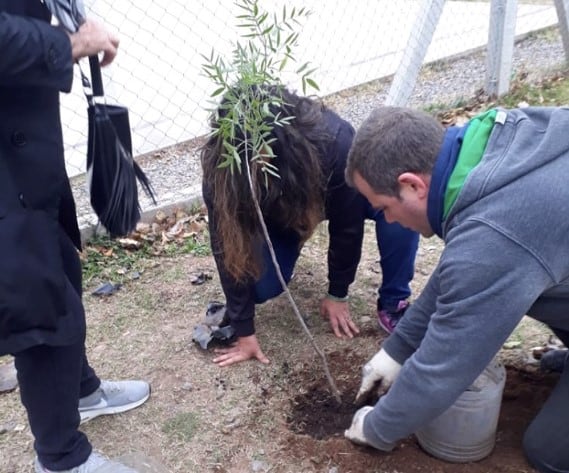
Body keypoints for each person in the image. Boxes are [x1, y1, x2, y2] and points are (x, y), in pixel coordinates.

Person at [343, 105, 569, 473]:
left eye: (383, 207)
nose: (387, 219)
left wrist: (377, 427)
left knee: (548, 452)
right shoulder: (498, 141)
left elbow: (443, 368)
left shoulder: (497, 234)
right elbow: (462, 274)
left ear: (412, 185)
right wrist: (397, 351)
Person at [0, 3, 150, 472]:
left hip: (26, 139)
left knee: (63, 263)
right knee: (38, 299)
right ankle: (60, 457)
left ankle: (80, 390)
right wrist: (68, 44)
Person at [201, 85, 419, 367]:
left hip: (333, 196)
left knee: (403, 206)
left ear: (279, 140)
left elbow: (347, 225)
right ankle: (295, 235)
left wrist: (337, 292)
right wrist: (244, 331)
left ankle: (393, 302)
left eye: (258, 154)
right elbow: (226, 246)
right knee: (259, 288)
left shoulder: (333, 141)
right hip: (283, 216)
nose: (252, 162)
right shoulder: (222, 170)